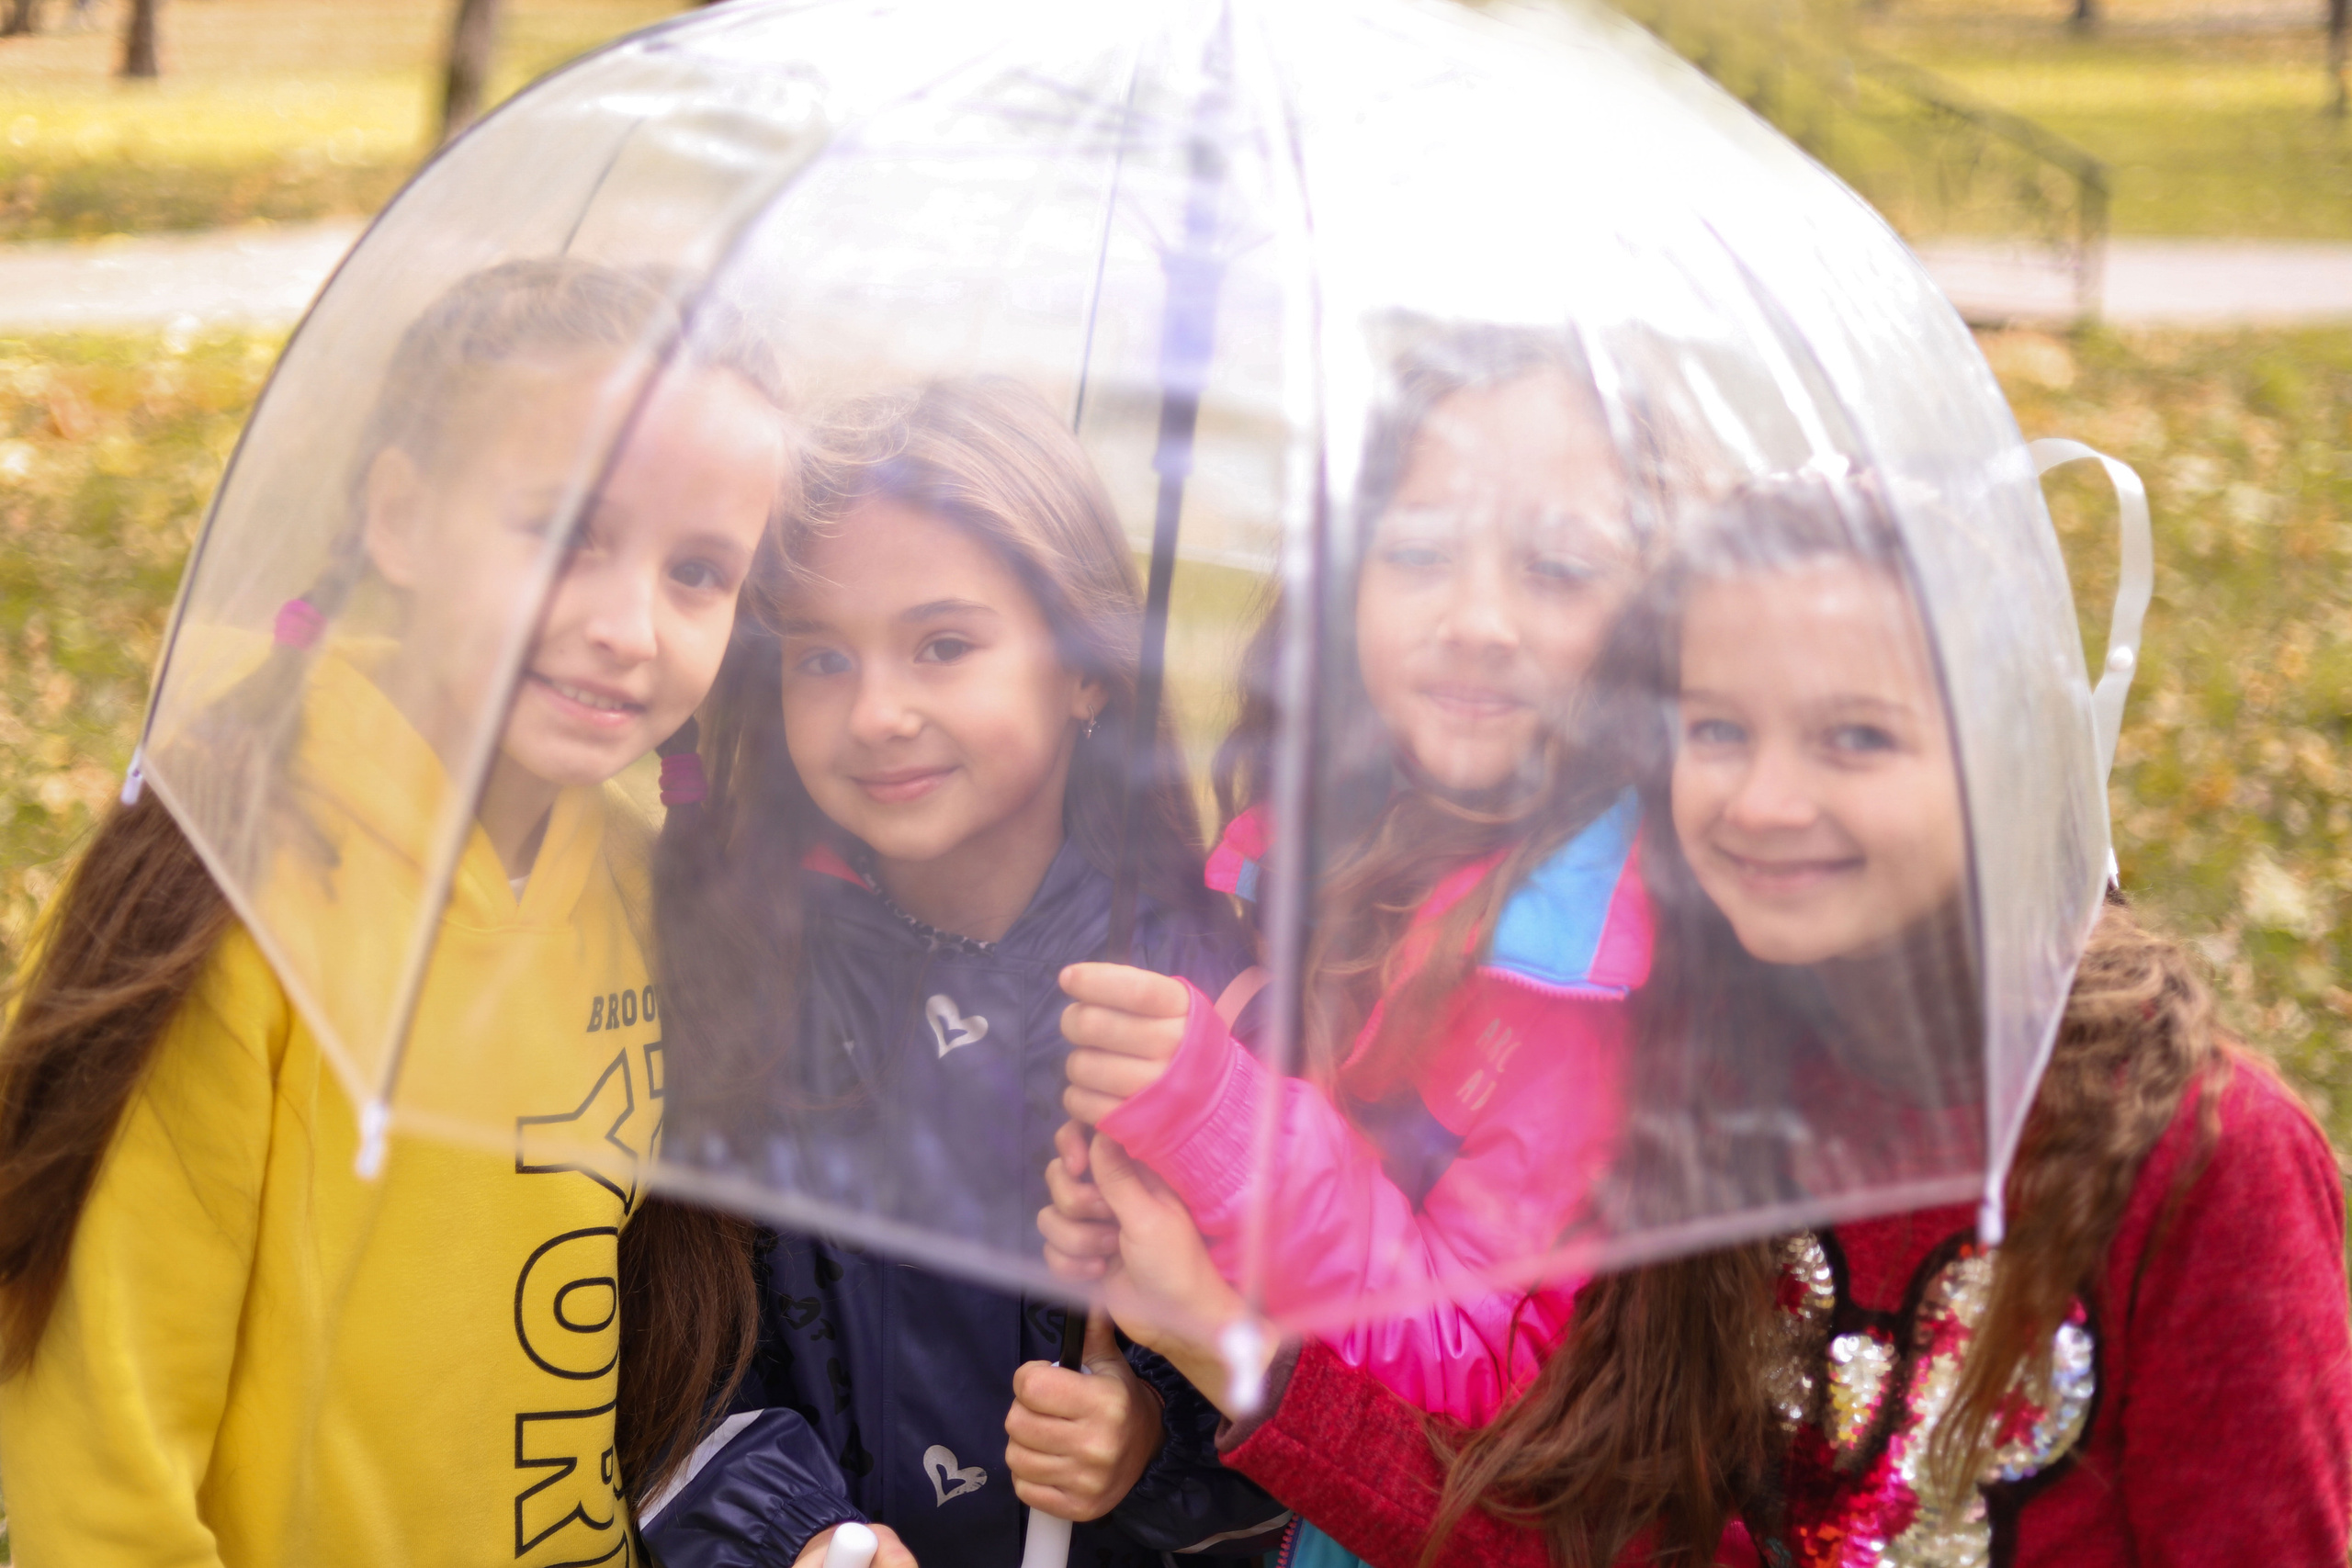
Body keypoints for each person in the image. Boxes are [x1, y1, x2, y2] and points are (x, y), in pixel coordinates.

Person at [1069, 476, 2352, 1568]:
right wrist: (1235, 1352)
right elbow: (1580, 1535)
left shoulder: (2193, 1160)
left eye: (1856, 736)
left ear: (2000, 757)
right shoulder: (1704, 1090)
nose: (1766, 798)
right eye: (1718, 730)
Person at [0, 259, 793, 1566]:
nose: (628, 625)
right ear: (404, 518)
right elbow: (105, 1442)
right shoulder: (239, 892)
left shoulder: (647, 899)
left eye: (698, 570)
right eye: (567, 532)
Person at [626, 378, 1288, 1567]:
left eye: (943, 644)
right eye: (822, 656)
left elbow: (1300, 1388)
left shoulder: (1202, 1005)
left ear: (1085, 667)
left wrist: (1152, 1433)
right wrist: (797, 1530)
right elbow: (680, 1349)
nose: (877, 711)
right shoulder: (744, 968)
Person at [1043, 326, 1653, 1430]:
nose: (1476, 622)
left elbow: (1481, 1371)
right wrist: (1148, 1195)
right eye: (1418, 552)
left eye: (1557, 568)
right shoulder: (1317, 854)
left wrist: (1218, 1127)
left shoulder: (1582, 985)